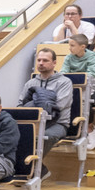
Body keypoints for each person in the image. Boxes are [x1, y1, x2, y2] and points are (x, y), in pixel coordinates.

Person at [19, 49, 74, 177]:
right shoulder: (30, 83)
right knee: (14, 135)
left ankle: (29, 169)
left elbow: (59, 106)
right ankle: (39, 169)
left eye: (45, 60)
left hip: (58, 124)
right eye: (39, 60)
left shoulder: (64, 82)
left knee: (45, 136)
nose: (41, 63)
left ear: (54, 63)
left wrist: (33, 106)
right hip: (34, 123)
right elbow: (20, 105)